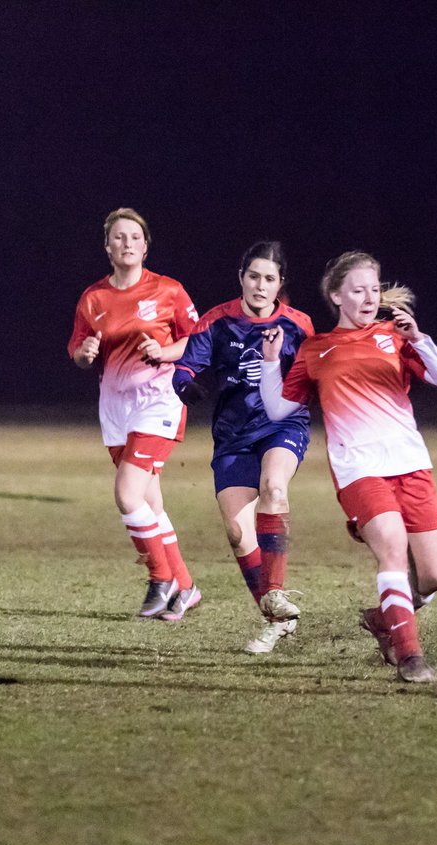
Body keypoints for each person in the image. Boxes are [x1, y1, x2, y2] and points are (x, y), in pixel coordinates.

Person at [259, 251, 437, 683]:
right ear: (336, 295)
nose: (369, 297)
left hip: (411, 465)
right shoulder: (316, 349)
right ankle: (410, 657)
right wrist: (271, 362)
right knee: (389, 544)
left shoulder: (395, 334)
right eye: (358, 290)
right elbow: (277, 409)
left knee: (434, 577)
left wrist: (419, 338)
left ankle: (383, 620)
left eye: (374, 288)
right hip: (358, 468)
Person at [173, 241, 316, 653]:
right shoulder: (216, 322)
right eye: (253, 276)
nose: (260, 285)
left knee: (274, 486)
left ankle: (274, 596)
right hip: (233, 435)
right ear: (241, 278)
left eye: (269, 278)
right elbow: (185, 365)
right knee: (238, 532)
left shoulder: (299, 325)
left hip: (282, 425)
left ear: (280, 284)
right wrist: (185, 384)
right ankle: (277, 618)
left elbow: (319, 367)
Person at [68, 207, 202, 620]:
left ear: (146, 246)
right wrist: (84, 354)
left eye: (134, 237)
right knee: (150, 503)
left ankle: (160, 578)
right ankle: (186, 587)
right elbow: (77, 349)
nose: (127, 244)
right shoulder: (94, 298)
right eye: (119, 237)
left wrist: (164, 352)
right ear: (108, 247)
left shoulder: (168, 290)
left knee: (126, 494)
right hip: (116, 408)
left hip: (159, 403)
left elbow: (197, 340)